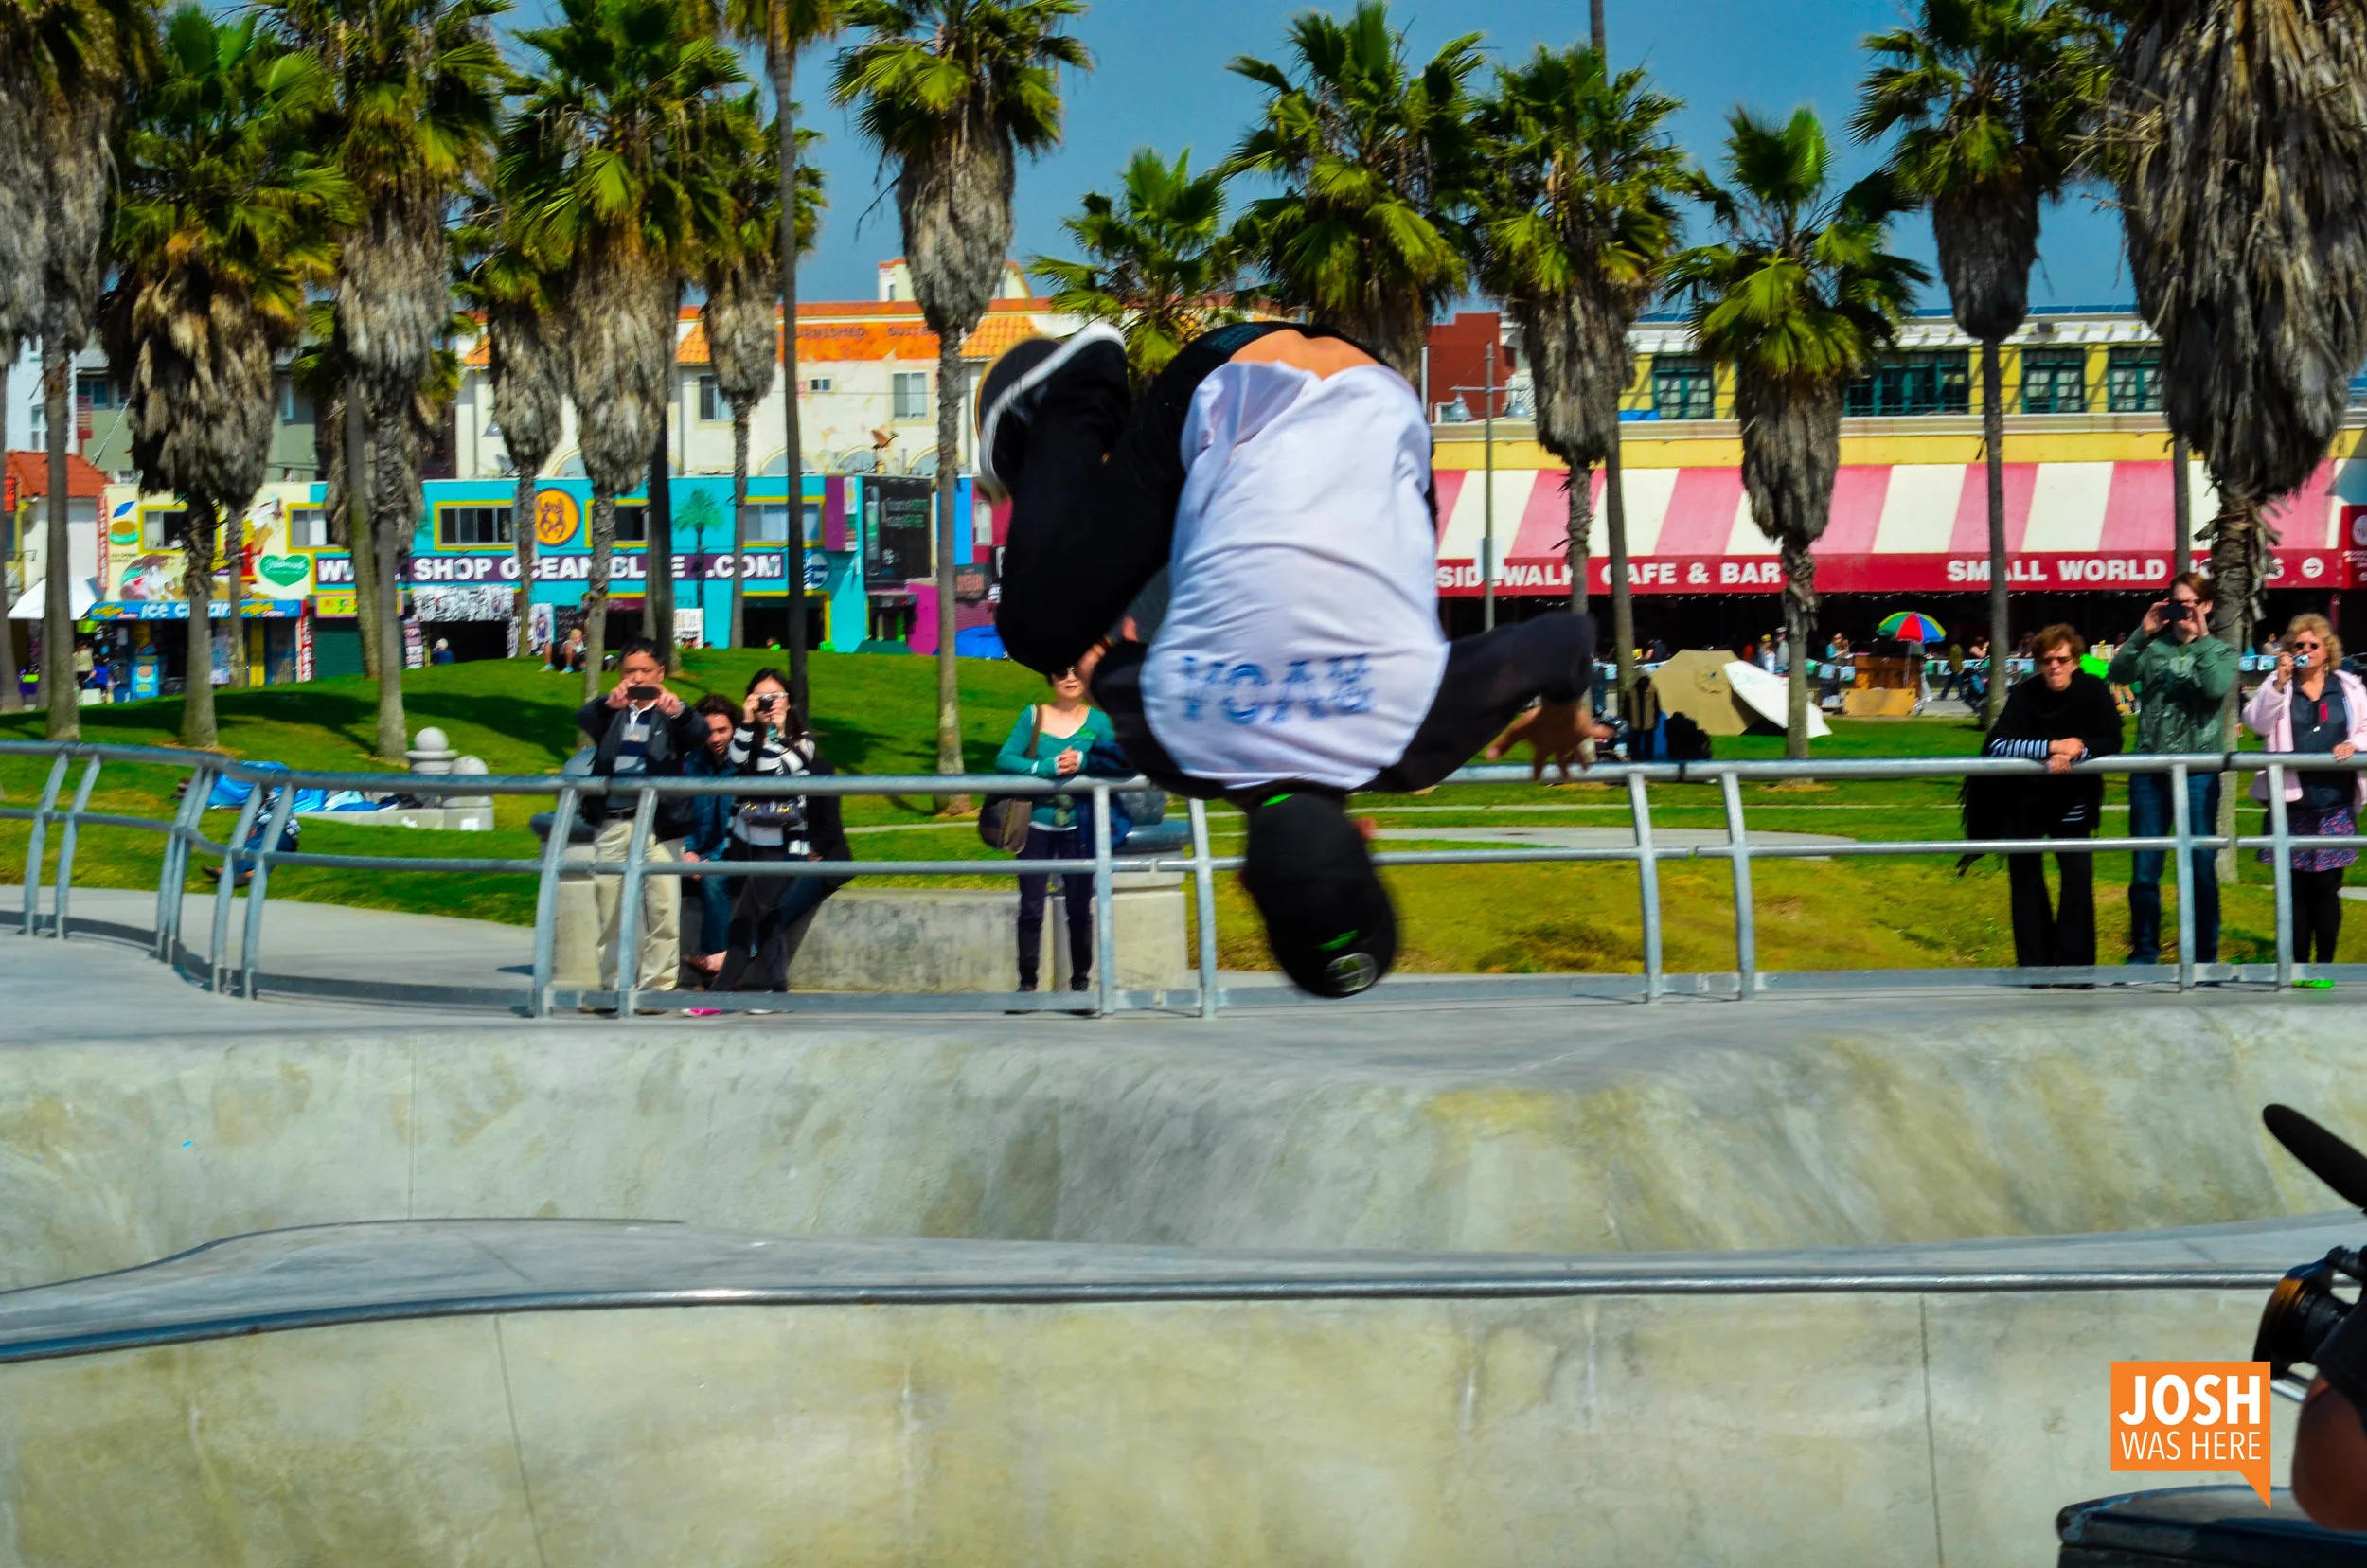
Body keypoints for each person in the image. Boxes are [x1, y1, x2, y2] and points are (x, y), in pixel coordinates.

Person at [986, 320, 1607, 997]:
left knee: (1386, 528)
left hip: (1377, 385)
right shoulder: (1174, 746)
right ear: (1243, 882)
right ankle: (1078, 391)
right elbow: (1089, 658)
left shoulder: (1420, 739)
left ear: (1366, 834)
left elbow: (1568, 639)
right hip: (1223, 378)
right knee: (1040, 633)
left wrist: (1562, 711)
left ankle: (1089, 427)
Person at [1967, 625, 2125, 973]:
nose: (2054, 666)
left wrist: (2077, 752)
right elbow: (1997, 744)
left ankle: (2075, 971)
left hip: (2074, 803)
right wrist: (2051, 748)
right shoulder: (2025, 694)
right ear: (2038, 663)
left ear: (2075, 661)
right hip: (2025, 805)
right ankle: (2034, 969)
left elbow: (2112, 738)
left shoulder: (2093, 690)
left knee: (2078, 883)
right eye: (2047, 660)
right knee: (2025, 883)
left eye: (2062, 659)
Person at [2109, 572, 2237, 966]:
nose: (2186, 612)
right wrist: (2142, 632)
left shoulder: (2221, 651)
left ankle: (2203, 956)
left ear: (2207, 606)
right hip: (2151, 768)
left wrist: (2202, 639)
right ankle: (2145, 952)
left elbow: (2215, 688)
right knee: (2145, 869)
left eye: (2193, 603)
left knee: (2201, 866)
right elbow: (2118, 675)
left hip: (2200, 771)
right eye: (2178, 604)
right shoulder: (2153, 648)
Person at [707, 668, 851, 996]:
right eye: (761, 697)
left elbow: (775, 769)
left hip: (785, 847)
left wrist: (778, 731)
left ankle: (719, 992)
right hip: (748, 844)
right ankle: (777, 989)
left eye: (775, 697)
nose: (768, 703)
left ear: (789, 701)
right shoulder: (748, 739)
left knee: (745, 917)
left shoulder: (803, 743)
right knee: (767, 919)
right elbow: (734, 761)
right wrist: (747, 722)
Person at [574, 637, 703, 1003]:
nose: (638, 678)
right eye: (630, 671)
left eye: (646, 670)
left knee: (663, 908)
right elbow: (584, 720)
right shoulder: (612, 713)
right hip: (614, 822)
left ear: (660, 672)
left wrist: (678, 711)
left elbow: (699, 734)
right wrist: (608, 705)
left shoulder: (671, 713)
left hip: (660, 826)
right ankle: (614, 985)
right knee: (610, 908)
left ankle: (657, 988)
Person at [2243, 614, 2367, 979]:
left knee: (2327, 889)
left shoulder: (2348, 687)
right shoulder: (2279, 687)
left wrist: (2353, 743)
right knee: (2295, 890)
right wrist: (2277, 684)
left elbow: (2365, 728)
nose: (2306, 651)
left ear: (2327, 650)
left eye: (2314, 645)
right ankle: (2296, 967)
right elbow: (2255, 723)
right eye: (2299, 645)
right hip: (2291, 805)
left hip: (2334, 804)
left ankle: (2323, 967)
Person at [995, 664, 1117, 994]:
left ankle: (1080, 984)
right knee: (1031, 908)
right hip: (1035, 825)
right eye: (1061, 672)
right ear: (1050, 679)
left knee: (1079, 909)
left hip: (1080, 826)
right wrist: (1044, 767)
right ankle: (1027, 984)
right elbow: (1005, 759)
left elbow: (1120, 762)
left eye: (1076, 671)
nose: (1070, 678)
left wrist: (1084, 762)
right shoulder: (1033, 716)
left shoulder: (1099, 722)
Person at [680, 694, 740, 982]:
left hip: (733, 855)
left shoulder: (745, 765)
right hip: (696, 855)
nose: (715, 738)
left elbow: (741, 824)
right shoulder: (691, 764)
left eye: (722, 730)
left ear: (734, 729)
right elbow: (680, 813)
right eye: (708, 731)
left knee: (714, 878)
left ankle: (716, 965)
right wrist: (687, 851)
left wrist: (711, 859)